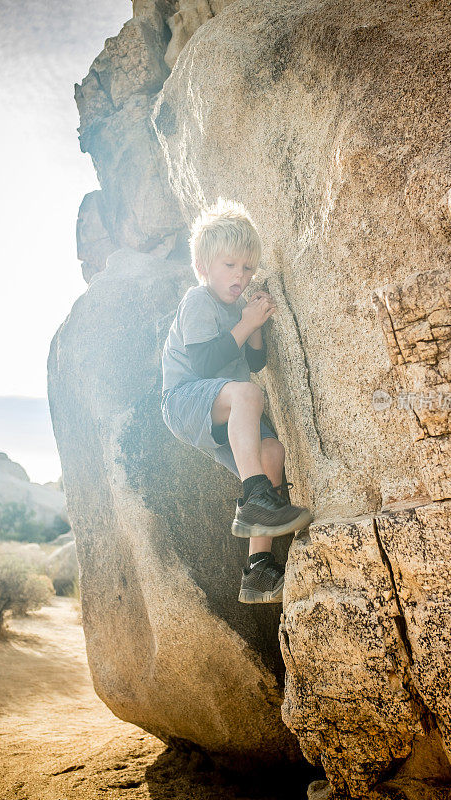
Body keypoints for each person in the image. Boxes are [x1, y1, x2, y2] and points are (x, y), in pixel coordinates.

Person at [161, 197, 312, 604]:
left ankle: (257, 571)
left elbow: (256, 361)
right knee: (247, 393)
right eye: (230, 266)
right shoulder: (199, 300)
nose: (240, 276)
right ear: (203, 267)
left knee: (273, 451)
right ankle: (255, 497)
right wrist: (245, 323)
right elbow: (205, 362)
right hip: (186, 399)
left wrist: (256, 323)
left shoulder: (237, 308)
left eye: (247, 268)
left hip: (226, 408)